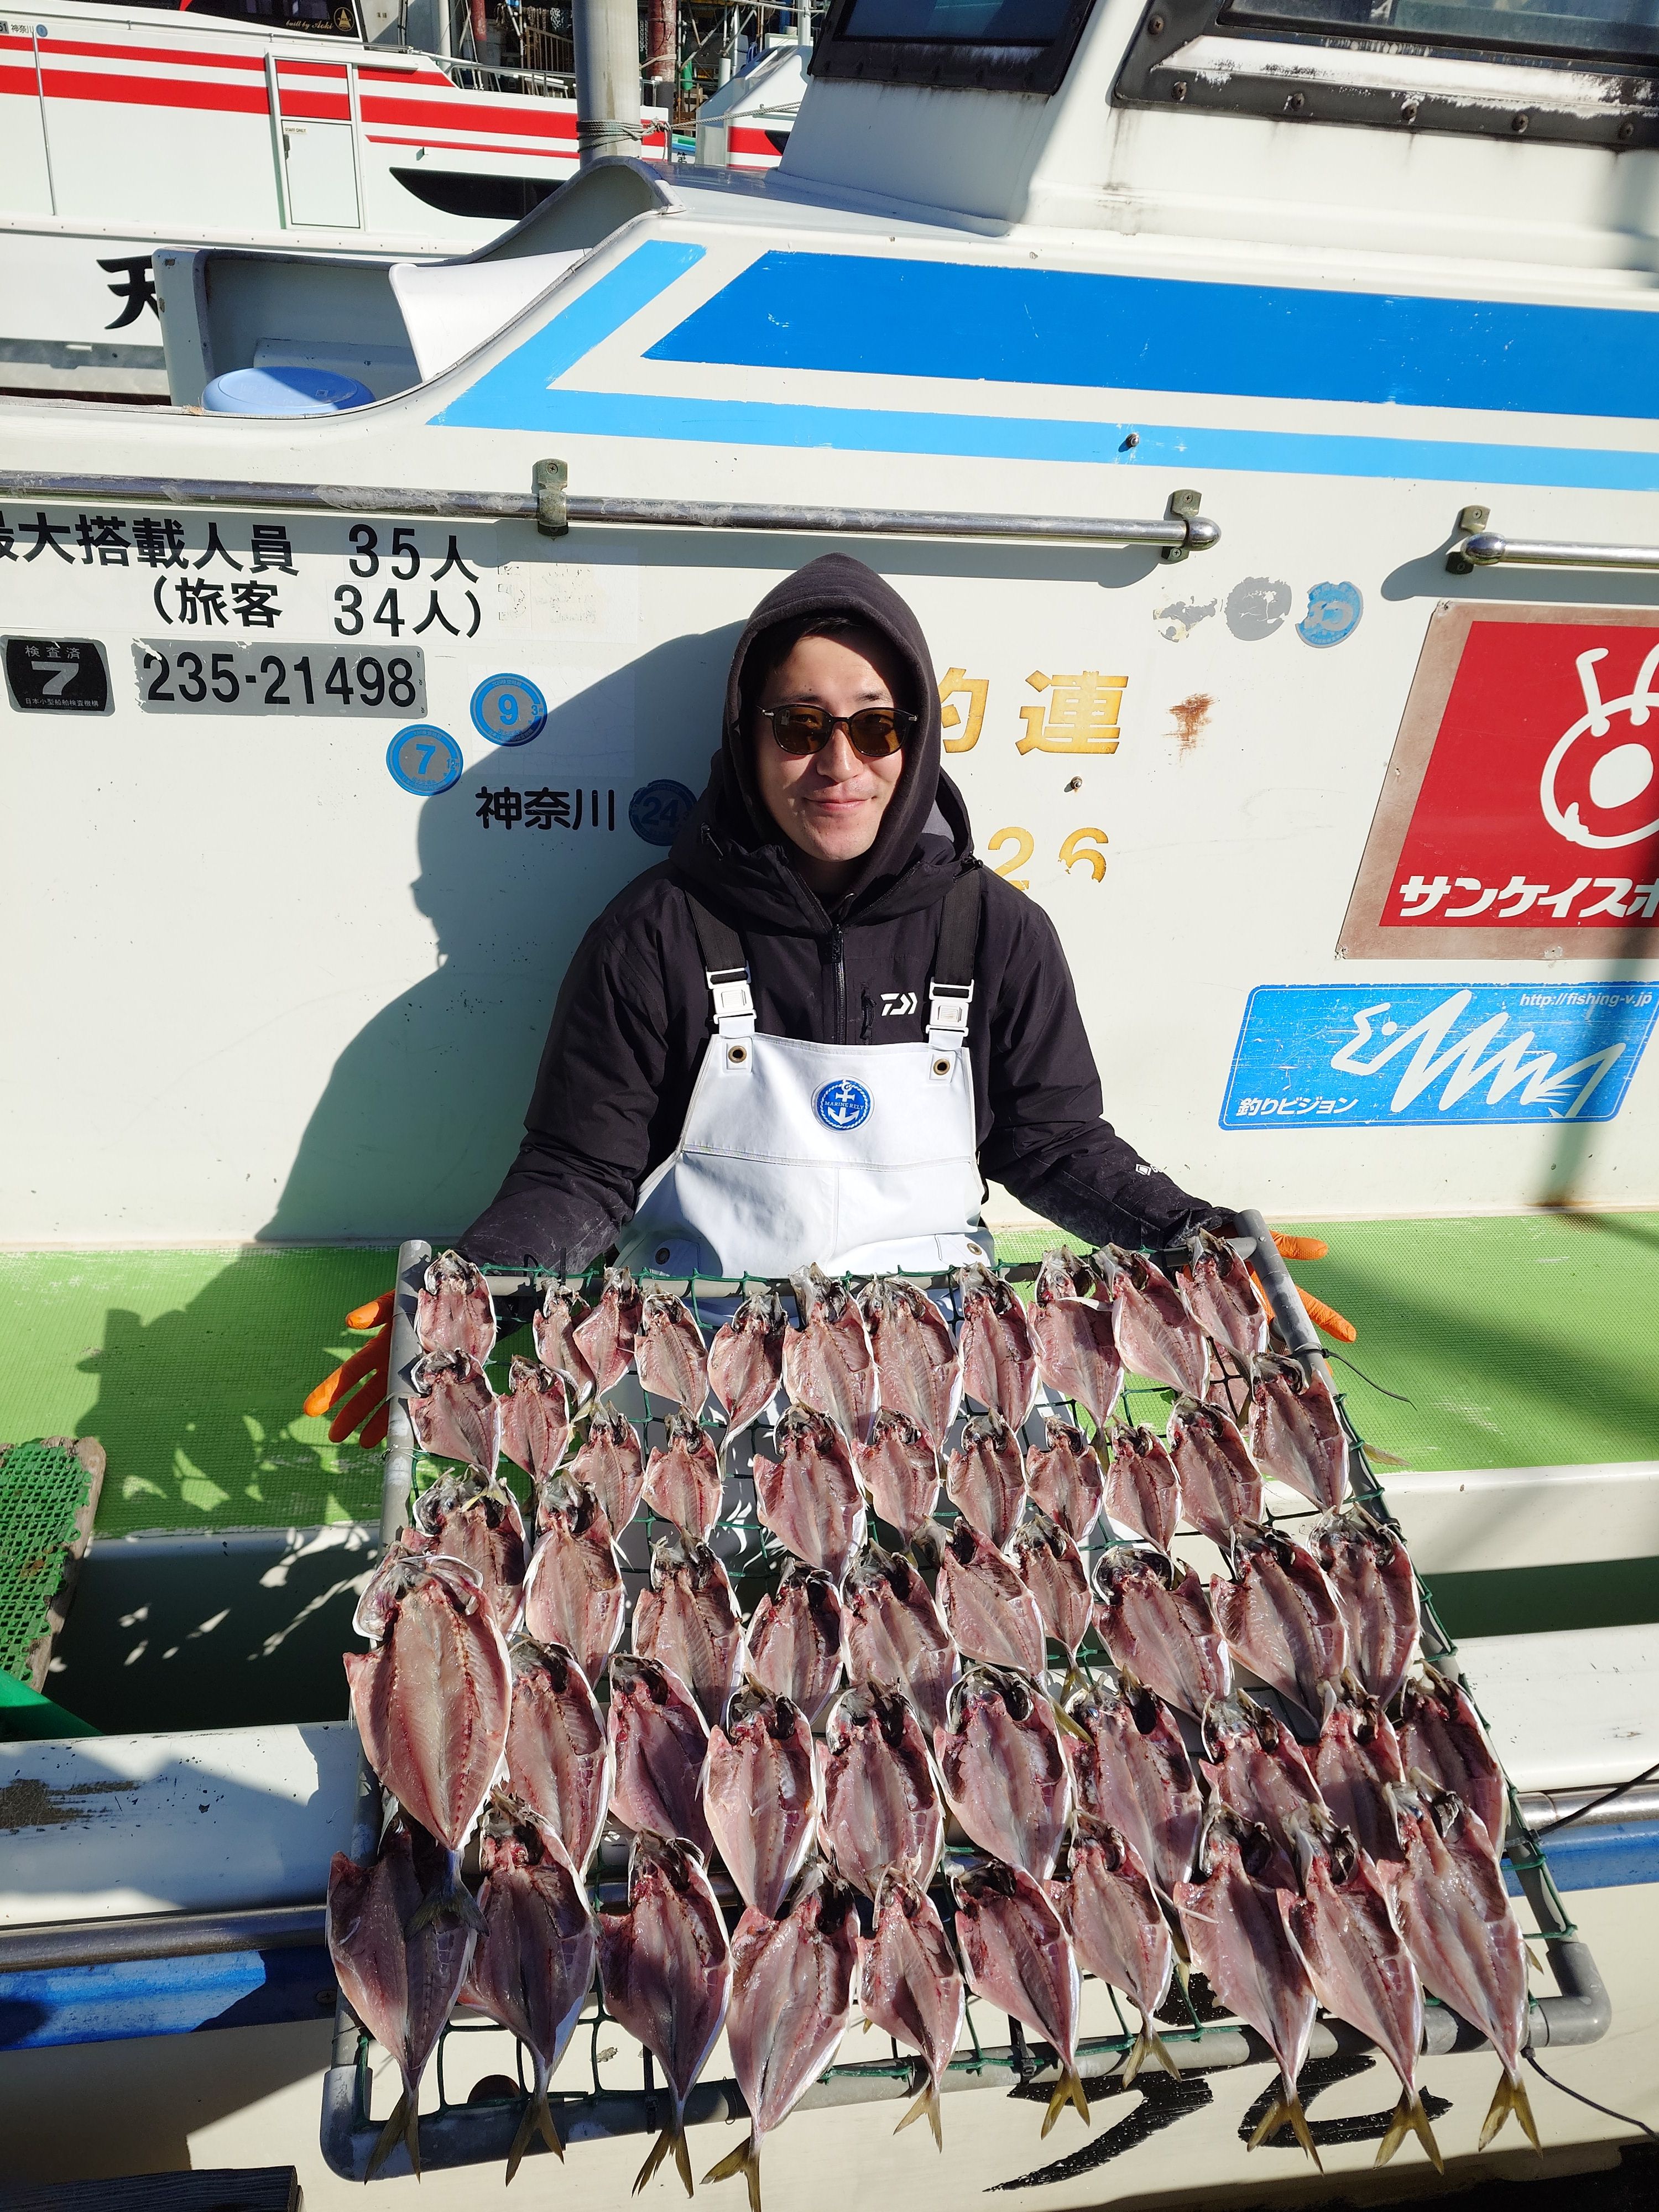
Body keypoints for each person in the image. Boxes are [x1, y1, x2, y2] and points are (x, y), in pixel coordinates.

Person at [458, 552, 1227, 1275]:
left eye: (876, 726)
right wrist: (480, 1280)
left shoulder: (999, 930)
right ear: (748, 738)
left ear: (917, 740)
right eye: (799, 726)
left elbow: (1055, 1146)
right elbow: (580, 1171)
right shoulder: (653, 931)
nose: (839, 765)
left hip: (936, 1333)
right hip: (698, 1331)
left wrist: (1194, 1236)